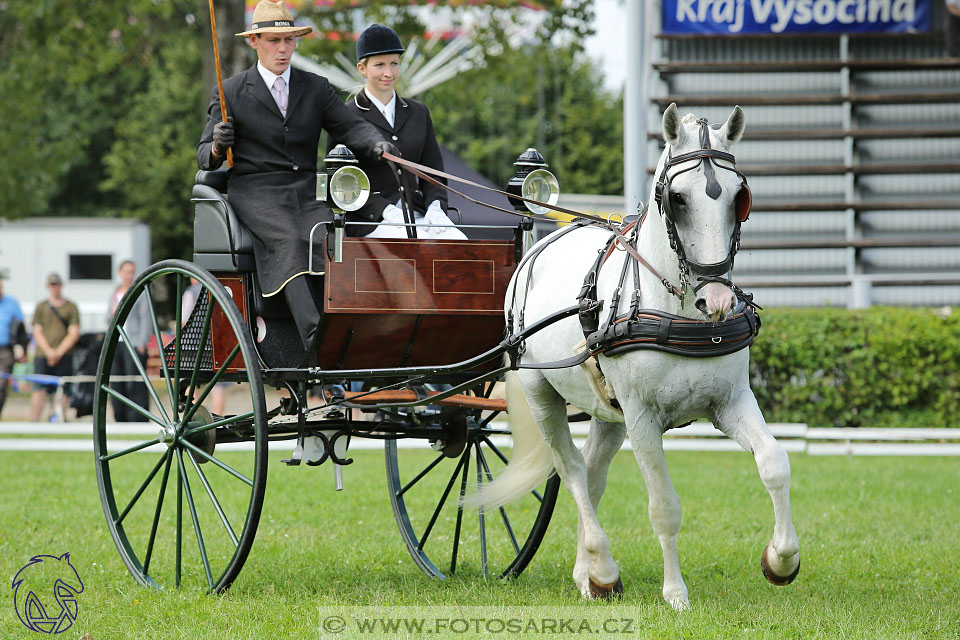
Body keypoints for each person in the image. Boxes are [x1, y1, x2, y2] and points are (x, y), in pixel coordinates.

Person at [197, 0, 397, 359]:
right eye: (274, 40)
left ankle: (351, 333)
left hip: (305, 190)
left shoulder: (316, 87)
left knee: (329, 236)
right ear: (254, 42)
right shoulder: (230, 91)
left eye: (289, 40)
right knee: (291, 240)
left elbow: (350, 126)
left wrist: (377, 144)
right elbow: (202, 157)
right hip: (255, 191)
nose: (283, 49)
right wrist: (216, 145)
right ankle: (317, 342)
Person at [329, 24, 466, 240]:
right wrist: (383, 209)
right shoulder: (345, 115)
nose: (388, 73)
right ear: (362, 69)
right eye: (379, 65)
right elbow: (339, 181)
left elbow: (433, 173)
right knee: (415, 247)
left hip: (417, 214)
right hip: (372, 219)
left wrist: (435, 207)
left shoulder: (418, 112)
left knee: (460, 242)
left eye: (394, 64)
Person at [30, 273, 80, 421]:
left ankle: (57, 418)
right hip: (42, 354)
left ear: (61, 285)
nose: (54, 287)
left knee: (63, 389)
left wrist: (58, 352)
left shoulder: (71, 307)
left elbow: (73, 332)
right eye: (52, 285)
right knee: (39, 389)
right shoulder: (41, 306)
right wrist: (49, 352)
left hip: (65, 354)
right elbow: (37, 331)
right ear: (47, 286)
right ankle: (34, 421)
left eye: (56, 284)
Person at [108, 260, 151, 422]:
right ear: (119, 272)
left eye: (132, 272)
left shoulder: (139, 292)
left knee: (135, 381)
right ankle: (120, 416)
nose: (130, 275)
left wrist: (142, 342)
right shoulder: (114, 293)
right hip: (117, 342)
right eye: (127, 272)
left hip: (133, 342)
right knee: (117, 381)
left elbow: (146, 319)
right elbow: (108, 317)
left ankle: (137, 417)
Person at [0, 277, 26, 419]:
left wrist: (22, 349)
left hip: (5, 350)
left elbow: (21, 328)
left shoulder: (11, 303)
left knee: (1, 384)